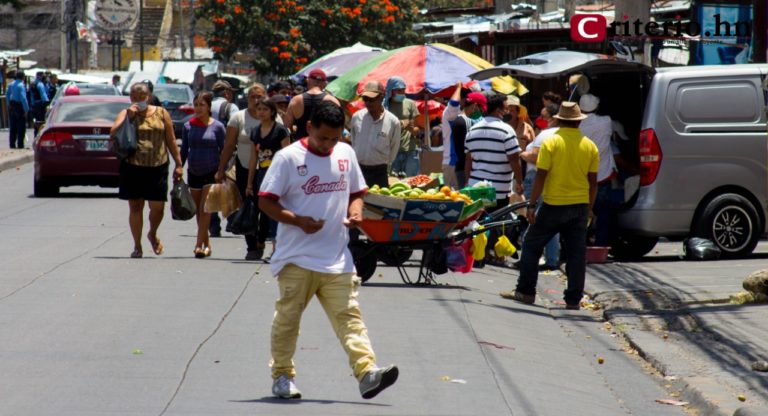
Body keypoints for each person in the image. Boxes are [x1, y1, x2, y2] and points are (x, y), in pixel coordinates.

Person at [258, 101, 398, 400]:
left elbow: (357, 193)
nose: (328, 145)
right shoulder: (287, 158)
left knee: (350, 318)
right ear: (309, 128)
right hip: (296, 258)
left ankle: (367, 373)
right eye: (323, 138)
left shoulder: (346, 153)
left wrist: (356, 212)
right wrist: (297, 221)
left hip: (337, 258)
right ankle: (282, 376)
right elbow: (266, 201)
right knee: (288, 319)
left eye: (335, 139)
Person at [501, 102, 598, 310]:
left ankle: (526, 291)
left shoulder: (551, 142)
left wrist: (532, 204)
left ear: (559, 120)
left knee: (531, 244)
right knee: (576, 254)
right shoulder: (590, 145)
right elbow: (593, 182)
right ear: (578, 122)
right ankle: (573, 300)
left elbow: (541, 176)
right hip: (580, 206)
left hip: (553, 204)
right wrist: (589, 207)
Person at [110, 83, 183, 259]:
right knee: (136, 206)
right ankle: (137, 245)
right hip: (133, 166)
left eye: (141, 96)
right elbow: (113, 133)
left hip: (158, 165)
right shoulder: (126, 113)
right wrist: (130, 117)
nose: (138, 99)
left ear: (148, 96)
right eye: (134, 96)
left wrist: (179, 164)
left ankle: (152, 232)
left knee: (157, 207)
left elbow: (171, 139)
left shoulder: (161, 112)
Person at [464, 93, 524, 265]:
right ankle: (490, 254)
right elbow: (514, 159)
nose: (507, 110)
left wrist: (468, 183)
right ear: (498, 110)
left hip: (476, 186)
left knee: (478, 221)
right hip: (499, 189)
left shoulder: (473, 129)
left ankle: (479, 253)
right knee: (497, 223)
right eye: (506, 107)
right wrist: (519, 183)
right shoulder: (507, 130)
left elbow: (469, 159)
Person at [215, 86, 265, 260]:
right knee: (248, 207)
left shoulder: (274, 117)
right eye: (253, 97)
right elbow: (228, 146)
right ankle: (252, 246)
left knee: (265, 208)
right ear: (247, 98)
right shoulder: (238, 117)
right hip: (244, 169)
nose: (256, 100)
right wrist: (221, 170)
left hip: (267, 171)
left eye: (260, 96)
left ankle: (262, 239)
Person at [180, 91, 226, 258]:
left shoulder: (218, 127)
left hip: (212, 172)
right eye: (196, 105)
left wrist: (222, 171)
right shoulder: (188, 126)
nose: (198, 108)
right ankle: (207, 243)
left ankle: (198, 245)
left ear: (209, 107)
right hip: (194, 171)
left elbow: (225, 150)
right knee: (198, 212)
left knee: (205, 209)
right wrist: (179, 167)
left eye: (202, 105)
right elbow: (184, 150)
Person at [244, 98, 291, 259]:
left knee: (276, 213)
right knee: (264, 213)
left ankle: (278, 249)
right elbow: (253, 159)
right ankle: (264, 245)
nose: (261, 112)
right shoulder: (255, 132)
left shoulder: (280, 131)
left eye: (265, 109)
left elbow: (289, 155)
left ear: (272, 111)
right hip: (262, 176)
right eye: (259, 109)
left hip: (279, 176)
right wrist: (249, 183)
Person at [520, 103, 561, 270]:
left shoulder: (546, 134)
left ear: (553, 118)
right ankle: (551, 259)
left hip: (537, 177)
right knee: (551, 220)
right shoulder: (571, 136)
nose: (542, 120)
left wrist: (522, 153)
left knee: (534, 219)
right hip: (555, 180)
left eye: (544, 117)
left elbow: (536, 158)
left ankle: (529, 259)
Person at [578, 93, 616, 247]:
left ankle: (582, 245)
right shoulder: (606, 121)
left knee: (582, 214)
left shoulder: (577, 124)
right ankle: (601, 244)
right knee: (604, 214)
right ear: (597, 107)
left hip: (583, 175)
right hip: (603, 174)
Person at [348, 80, 401, 188]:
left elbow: (394, 148)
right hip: (359, 170)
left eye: (372, 99)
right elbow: (354, 141)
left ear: (382, 97)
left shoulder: (393, 121)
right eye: (365, 99)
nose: (368, 103)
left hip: (379, 173)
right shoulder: (357, 117)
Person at [208, 80, 241, 237]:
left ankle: (213, 225)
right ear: (227, 93)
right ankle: (232, 221)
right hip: (226, 153)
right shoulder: (231, 107)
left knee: (211, 187)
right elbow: (237, 128)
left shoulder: (205, 105)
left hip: (207, 152)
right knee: (229, 187)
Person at [283, 69, 340, 141]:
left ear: (308, 80)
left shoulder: (296, 100)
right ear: (325, 83)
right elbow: (339, 128)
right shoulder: (332, 100)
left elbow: (286, 127)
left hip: (301, 147)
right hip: (324, 147)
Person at [384, 76, 420, 178]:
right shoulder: (384, 106)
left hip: (410, 150)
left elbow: (416, 130)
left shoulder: (410, 104)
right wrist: (401, 123)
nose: (402, 93)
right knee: (393, 183)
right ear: (391, 91)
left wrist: (411, 129)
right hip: (392, 152)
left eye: (403, 90)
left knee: (413, 183)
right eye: (398, 90)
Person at [450, 92, 486, 189]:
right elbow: (467, 151)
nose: (481, 112)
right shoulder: (466, 122)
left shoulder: (457, 120)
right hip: (466, 169)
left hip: (460, 167)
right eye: (481, 109)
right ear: (475, 106)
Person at [6, 71, 29, 149]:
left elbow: (7, 95)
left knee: (13, 126)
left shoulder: (11, 84)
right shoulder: (21, 85)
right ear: (23, 77)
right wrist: (26, 109)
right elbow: (23, 98)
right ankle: (20, 144)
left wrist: (9, 104)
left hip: (12, 106)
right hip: (19, 107)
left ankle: (12, 144)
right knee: (21, 126)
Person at [30, 71, 50, 136]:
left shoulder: (32, 84)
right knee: (41, 124)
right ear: (41, 76)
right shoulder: (40, 84)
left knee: (36, 124)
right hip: (40, 107)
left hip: (33, 106)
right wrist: (48, 104)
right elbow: (43, 96)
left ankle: (35, 136)